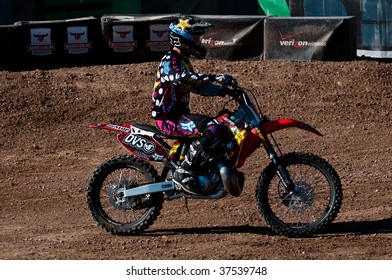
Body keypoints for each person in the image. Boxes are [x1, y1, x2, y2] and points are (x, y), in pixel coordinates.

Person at [151, 15, 237, 195]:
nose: (199, 41)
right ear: (183, 37)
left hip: (179, 116)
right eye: (196, 37)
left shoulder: (184, 62)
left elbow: (199, 87)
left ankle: (205, 171)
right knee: (213, 129)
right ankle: (184, 173)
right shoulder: (170, 59)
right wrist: (215, 77)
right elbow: (179, 78)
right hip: (168, 118)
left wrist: (225, 91)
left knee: (221, 125)